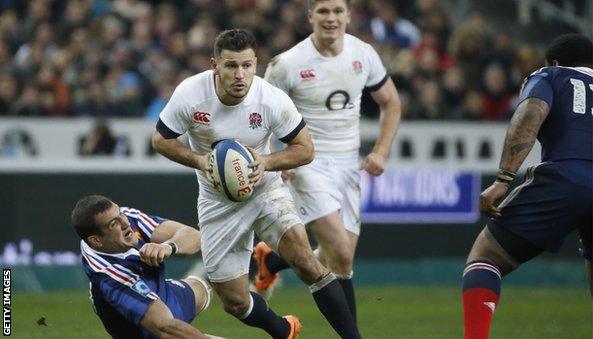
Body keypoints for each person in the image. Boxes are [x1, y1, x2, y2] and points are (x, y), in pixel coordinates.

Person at [152, 29, 361, 339]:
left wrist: (266, 162)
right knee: (235, 302)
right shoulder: (190, 94)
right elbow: (160, 140)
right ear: (215, 65)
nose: (240, 74)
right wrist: (199, 161)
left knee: (306, 261)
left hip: (265, 190)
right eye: (231, 66)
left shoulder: (271, 100)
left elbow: (306, 149)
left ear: (256, 64)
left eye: (247, 65)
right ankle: (283, 329)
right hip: (218, 202)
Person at [257, 0, 402, 324]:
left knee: (340, 258)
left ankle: (273, 261)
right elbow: (259, 115)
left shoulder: (363, 54)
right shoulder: (288, 63)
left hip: (349, 165)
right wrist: (276, 158)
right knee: (340, 252)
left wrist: (380, 150)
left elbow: (391, 102)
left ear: (349, 16)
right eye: (323, 11)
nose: (331, 18)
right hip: (307, 162)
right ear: (310, 17)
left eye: (338, 11)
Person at [461, 33, 592, 339]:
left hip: (568, 176)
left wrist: (504, 179)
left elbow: (532, 112)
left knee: (485, 257)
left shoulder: (550, 75)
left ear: (556, 62)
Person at [72, 195, 221, 339]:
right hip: (150, 330)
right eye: (113, 224)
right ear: (96, 241)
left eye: (120, 214)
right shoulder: (111, 277)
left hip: (165, 294)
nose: (125, 223)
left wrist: (168, 247)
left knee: (203, 288)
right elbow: (166, 328)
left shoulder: (126, 220)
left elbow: (193, 236)